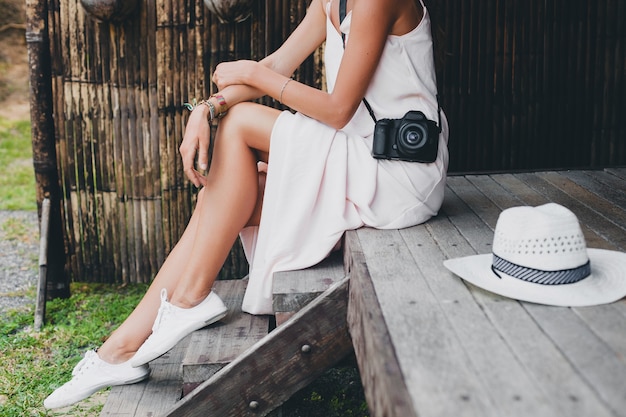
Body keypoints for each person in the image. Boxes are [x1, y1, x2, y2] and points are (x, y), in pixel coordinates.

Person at [44, 0, 449, 409]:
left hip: (399, 172)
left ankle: (189, 299)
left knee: (239, 126)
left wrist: (250, 78)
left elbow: (338, 109)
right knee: (218, 197)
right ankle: (120, 350)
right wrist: (205, 108)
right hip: (358, 156)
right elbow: (277, 67)